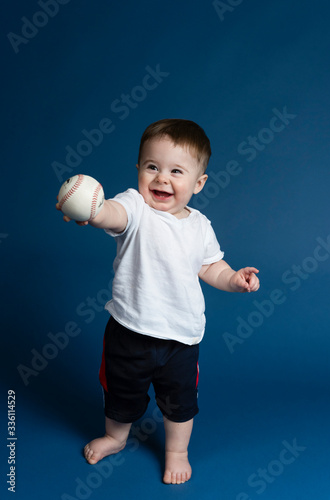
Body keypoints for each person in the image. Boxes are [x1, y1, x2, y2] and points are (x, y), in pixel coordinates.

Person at [57, 118, 260, 485]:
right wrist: (91, 209)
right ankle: (116, 438)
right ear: (138, 169)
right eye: (152, 167)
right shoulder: (134, 207)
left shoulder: (200, 225)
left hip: (180, 339)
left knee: (180, 403)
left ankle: (176, 452)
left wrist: (233, 279)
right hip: (129, 331)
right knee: (119, 393)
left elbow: (211, 266)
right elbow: (112, 216)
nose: (162, 178)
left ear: (198, 183)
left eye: (176, 171)